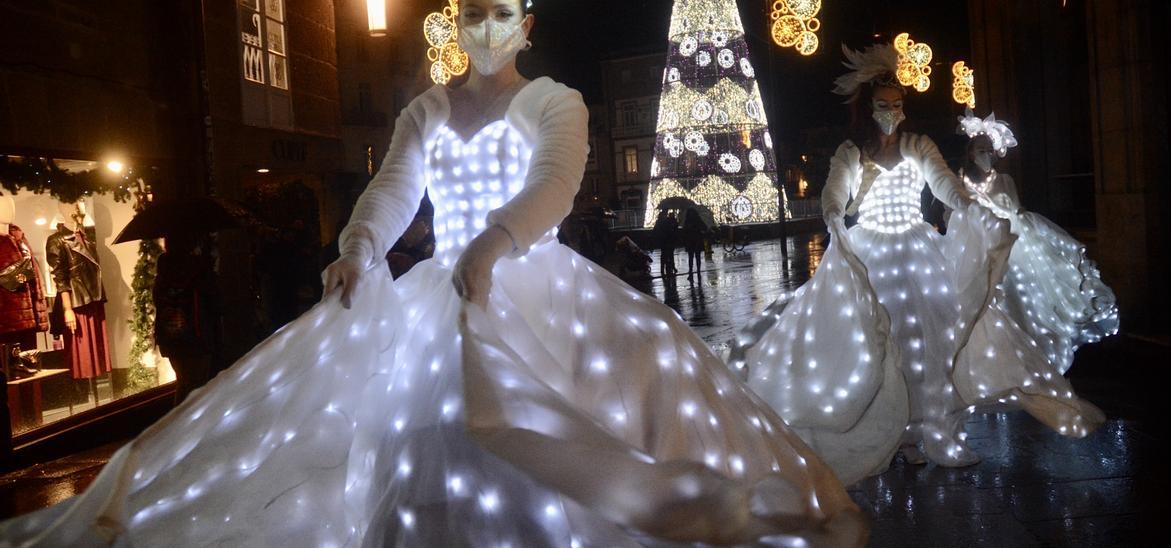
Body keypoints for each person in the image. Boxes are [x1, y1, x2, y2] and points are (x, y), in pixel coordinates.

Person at [0, 2, 864, 545]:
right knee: (427, 429)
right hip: (442, 289)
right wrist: (358, 248)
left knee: (560, 413)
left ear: (526, 24)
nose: (484, 29)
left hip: (532, 279)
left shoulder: (553, 100)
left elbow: (554, 179)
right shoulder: (429, 107)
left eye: (500, 15)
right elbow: (392, 186)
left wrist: (497, 241)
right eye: (470, 14)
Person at [730, 42, 1102, 480]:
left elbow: (943, 184)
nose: (891, 110)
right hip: (872, 253)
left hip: (916, 251)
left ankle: (938, 430)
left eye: (898, 104)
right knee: (879, 343)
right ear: (867, 109)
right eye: (883, 105)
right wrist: (832, 214)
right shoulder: (854, 151)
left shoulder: (917, 144)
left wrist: (969, 207)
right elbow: (836, 190)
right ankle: (892, 433)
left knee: (932, 342)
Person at [956, 110, 1118, 374]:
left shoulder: (1004, 180)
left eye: (989, 149)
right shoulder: (962, 181)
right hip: (980, 243)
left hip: (1011, 241)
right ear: (971, 153)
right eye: (980, 150)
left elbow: (1016, 210)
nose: (986, 154)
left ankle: (1028, 353)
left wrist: (1008, 214)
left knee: (1021, 294)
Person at [154, 232, 222, 404]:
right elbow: (213, 298)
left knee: (183, 383)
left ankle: (178, 423)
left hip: (171, 335)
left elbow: (157, 300)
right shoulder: (198, 268)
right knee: (196, 386)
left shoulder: (163, 268)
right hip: (196, 336)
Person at [682, 208, 707, 278]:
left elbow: (684, 231)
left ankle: (691, 272)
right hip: (697, 240)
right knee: (697, 257)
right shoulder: (698, 220)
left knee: (691, 257)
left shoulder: (687, 221)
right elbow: (705, 228)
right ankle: (697, 271)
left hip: (690, 241)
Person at [654, 209, 678, 276]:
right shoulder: (668, 222)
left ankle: (663, 268)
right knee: (670, 254)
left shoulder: (660, 222)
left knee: (664, 254)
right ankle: (670, 267)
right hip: (669, 240)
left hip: (663, 240)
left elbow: (656, 230)